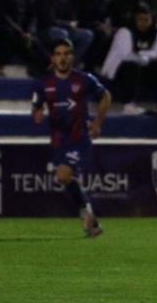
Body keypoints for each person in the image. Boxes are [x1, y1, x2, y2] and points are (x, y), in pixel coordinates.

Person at [32, 39, 111, 237]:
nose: (63, 58)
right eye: (58, 54)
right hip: (58, 141)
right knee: (65, 179)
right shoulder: (44, 84)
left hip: (79, 139)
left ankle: (90, 220)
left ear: (72, 57)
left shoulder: (84, 79)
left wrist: (97, 122)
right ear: (52, 59)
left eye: (66, 54)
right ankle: (91, 222)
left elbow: (106, 96)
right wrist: (37, 113)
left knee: (64, 175)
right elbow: (36, 107)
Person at [100, 5, 157, 112]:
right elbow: (126, 55)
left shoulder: (155, 32)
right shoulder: (125, 31)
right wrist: (146, 56)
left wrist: (141, 54)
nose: (143, 23)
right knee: (132, 66)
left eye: (147, 20)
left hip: (142, 64)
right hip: (118, 68)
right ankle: (128, 104)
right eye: (140, 19)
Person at [39, 0, 93, 64]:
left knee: (87, 34)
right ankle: (59, 63)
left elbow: (72, 16)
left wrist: (74, 23)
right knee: (62, 33)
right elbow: (49, 20)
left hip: (66, 29)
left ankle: (72, 63)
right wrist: (67, 24)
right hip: (47, 30)